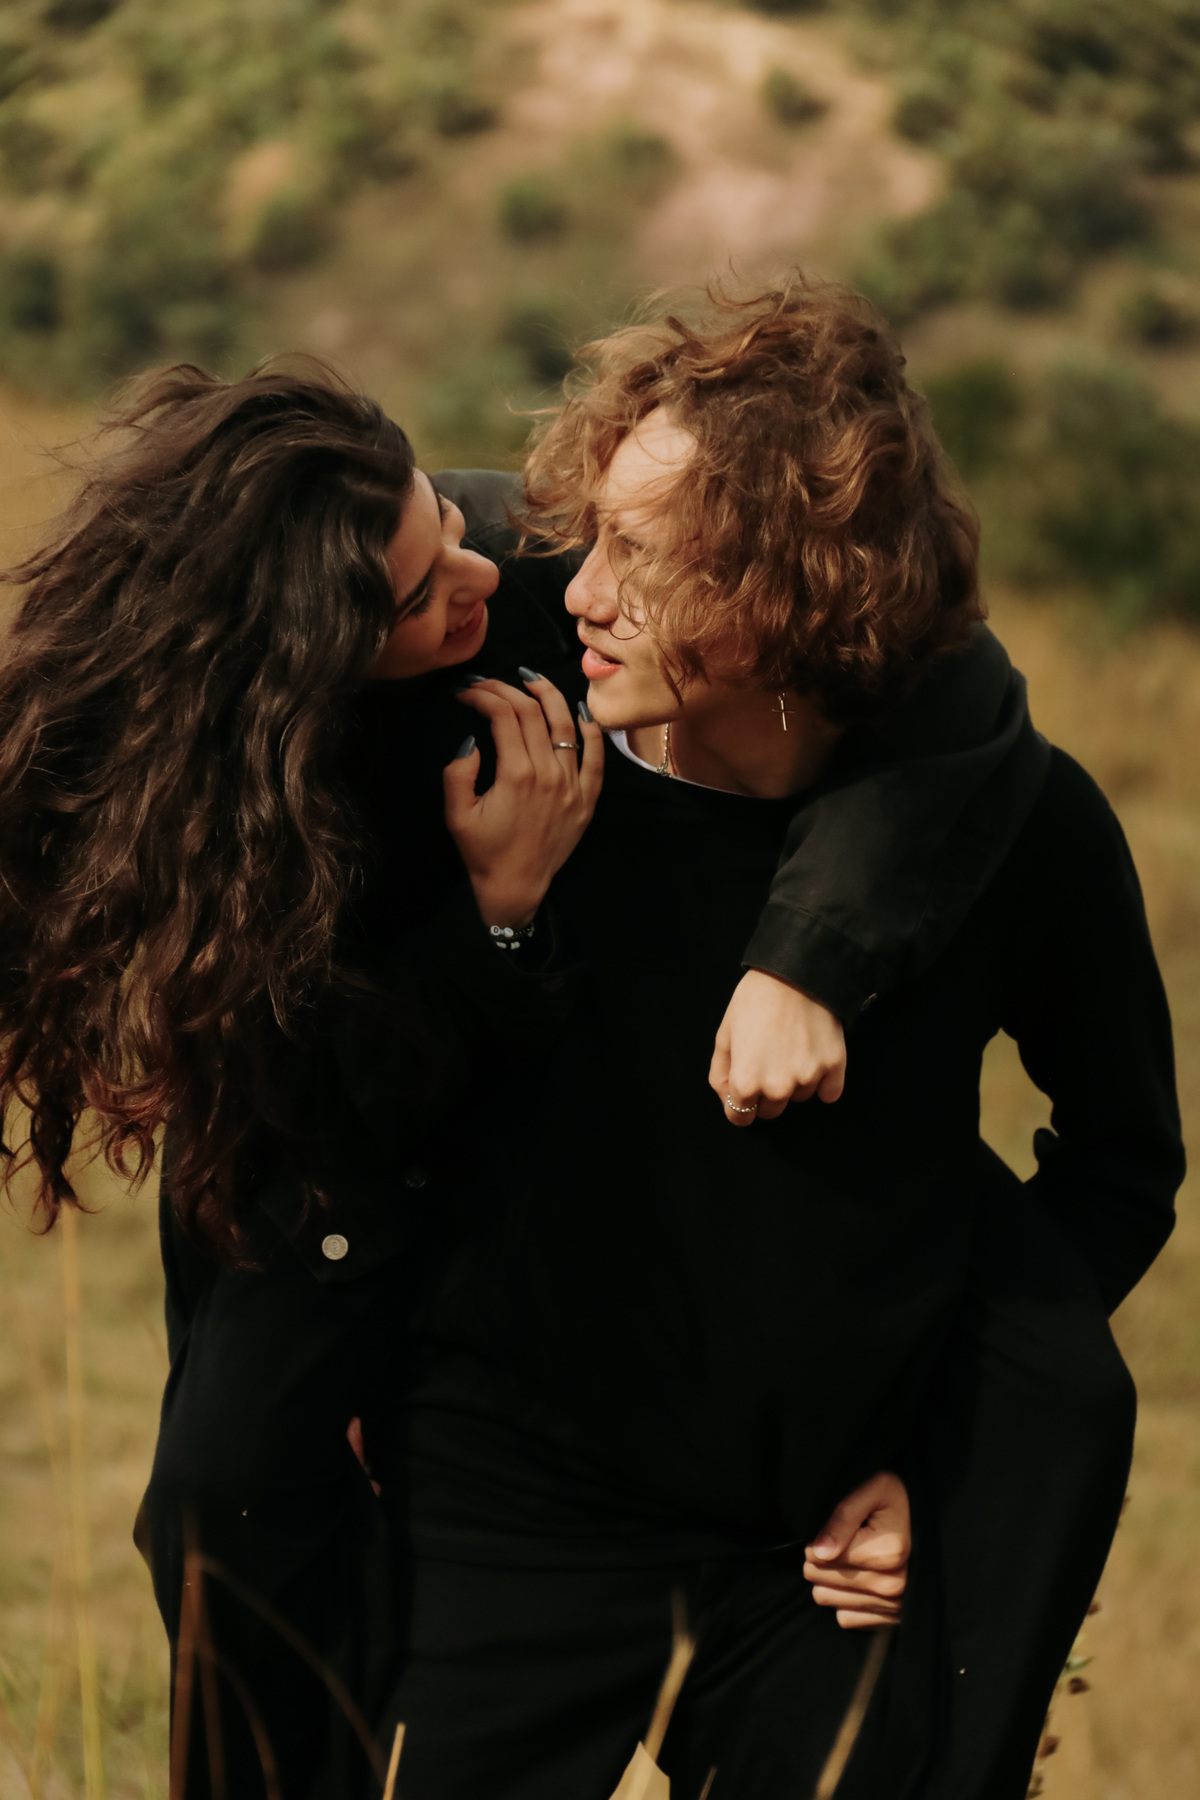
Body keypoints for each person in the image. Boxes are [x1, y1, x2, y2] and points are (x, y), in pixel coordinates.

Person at [0, 349, 1021, 1796]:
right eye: (420, 597)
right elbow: (309, 1070)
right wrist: (496, 914)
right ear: (312, 658)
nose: (472, 574)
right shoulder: (230, 765)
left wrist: (804, 959)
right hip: (323, 1151)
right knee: (217, 1504)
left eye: (441, 518)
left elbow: (954, 670)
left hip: (522, 1196)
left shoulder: (527, 576)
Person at [360, 281, 1184, 1800]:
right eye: (594, 535)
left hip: (815, 1554)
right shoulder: (514, 750)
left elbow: (1123, 1164)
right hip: (507, 1506)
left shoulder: (1022, 829)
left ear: (803, 591)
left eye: (645, 556)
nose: (584, 590)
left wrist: (935, 1450)